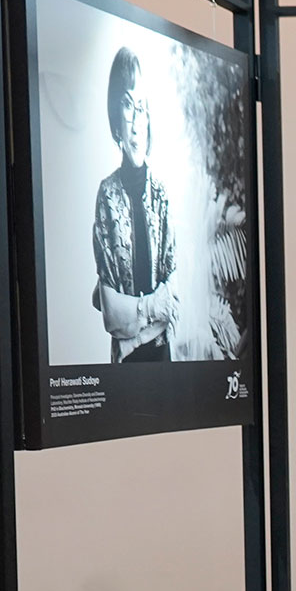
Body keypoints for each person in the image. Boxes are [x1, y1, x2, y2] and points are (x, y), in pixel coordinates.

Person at [92, 46, 177, 363]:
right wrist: (152, 306)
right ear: (116, 119)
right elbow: (112, 317)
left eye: (141, 108)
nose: (136, 121)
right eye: (128, 106)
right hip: (124, 369)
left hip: (164, 360)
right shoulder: (107, 195)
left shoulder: (161, 194)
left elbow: (175, 300)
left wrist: (135, 332)